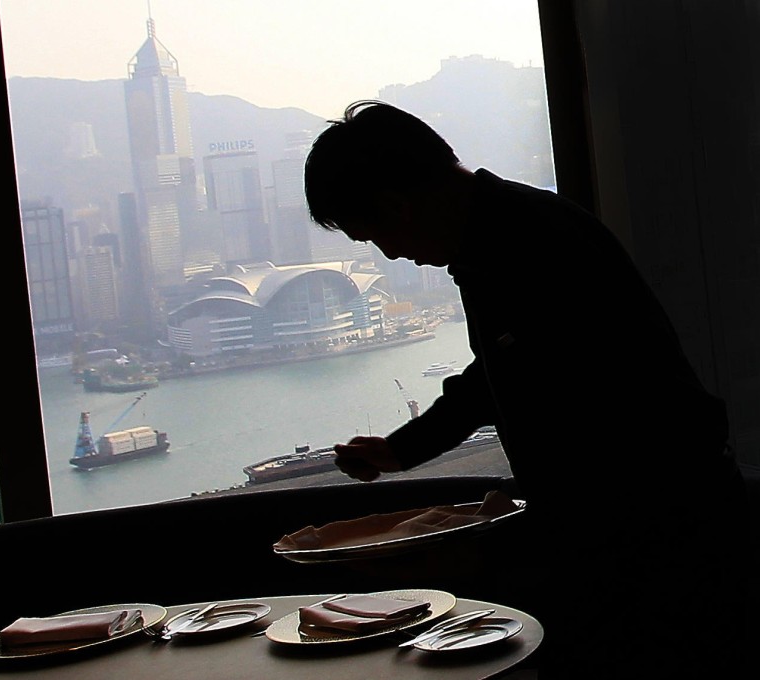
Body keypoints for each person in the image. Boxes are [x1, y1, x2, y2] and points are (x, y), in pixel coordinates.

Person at [303, 100, 755, 678]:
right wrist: (403, 449)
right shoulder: (502, 236)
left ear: (398, 203)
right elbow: (498, 372)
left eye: (377, 235)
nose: (392, 254)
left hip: (659, 535)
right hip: (642, 526)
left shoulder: (530, 243)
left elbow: (591, 422)